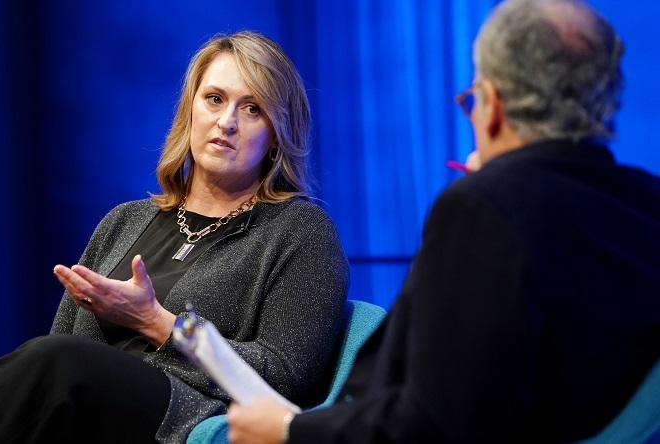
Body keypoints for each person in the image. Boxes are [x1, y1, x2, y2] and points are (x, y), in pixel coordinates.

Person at [227, 0, 660, 442]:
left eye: (471, 101)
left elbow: (433, 425)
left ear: (490, 106)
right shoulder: (648, 204)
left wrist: (288, 429)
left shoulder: (484, 209)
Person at [0, 31, 349, 444]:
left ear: (276, 135)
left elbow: (286, 379)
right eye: (214, 99)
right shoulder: (125, 221)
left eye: (252, 109)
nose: (227, 121)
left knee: (58, 364)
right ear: (190, 110)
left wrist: (157, 323)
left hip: (187, 419)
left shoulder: (300, 231)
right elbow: (58, 347)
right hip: (85, 409)